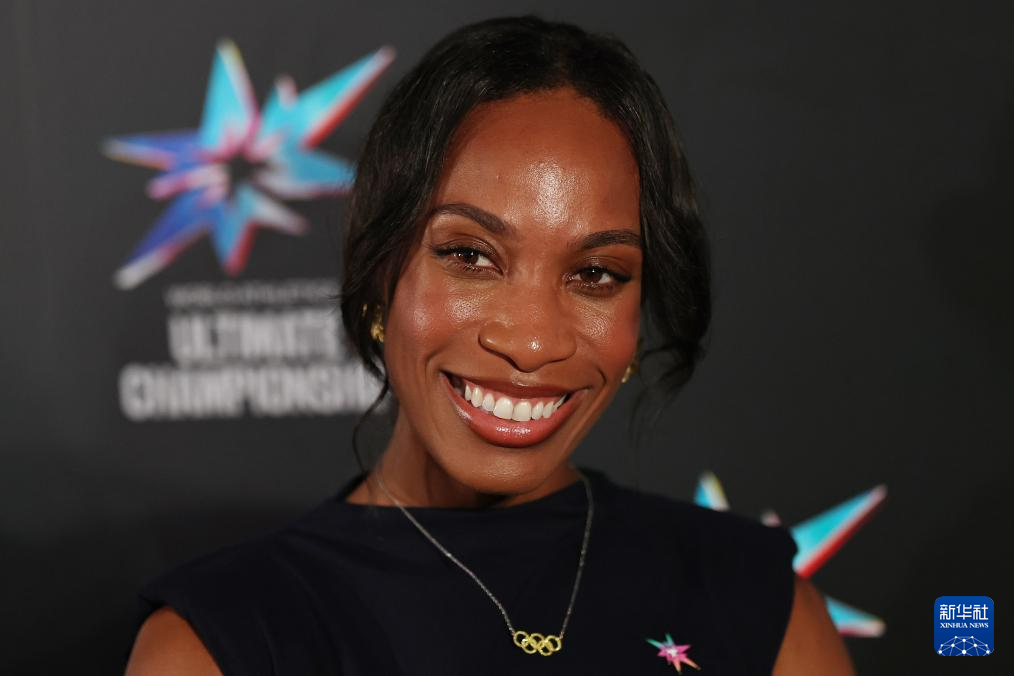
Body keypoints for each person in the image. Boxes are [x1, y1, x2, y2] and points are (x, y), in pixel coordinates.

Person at [125, 15, 855, 676]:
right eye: (469, 256)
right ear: (379, 274)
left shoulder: (756, 600)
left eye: (596, 274)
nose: (531, 341)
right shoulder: (220, 640)